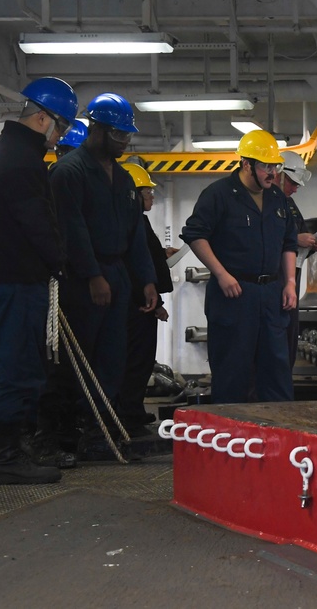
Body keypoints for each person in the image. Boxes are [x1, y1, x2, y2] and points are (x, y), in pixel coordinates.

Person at [36, 93, 158, 463]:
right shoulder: (69, 173)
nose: (124, 143)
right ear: (99, 130)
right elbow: (71, 231)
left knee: (112, 358)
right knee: (81, 361)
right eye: (119, 136)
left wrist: (146, 280)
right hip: (85, 279)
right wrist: (92, 275)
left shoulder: (122, 180)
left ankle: (102, 430)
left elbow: (136, 235)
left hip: (118, 275)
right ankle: (75, 435)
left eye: (126, 137)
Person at [0, 76, 78, 485]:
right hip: (17, 283)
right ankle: (8, 458)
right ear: (42, 119)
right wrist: (60, 263)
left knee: (21, 367)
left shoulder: (8, 153)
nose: (61, 136)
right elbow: (38, 224)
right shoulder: (20, 160)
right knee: (19, 370)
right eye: (62, 127)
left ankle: (19, 450)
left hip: (8, 282)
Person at [180, 129, 298, 403]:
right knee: (232, 373)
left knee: (277, 374)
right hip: (234, 295)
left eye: (275, 166)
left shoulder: (278, 199)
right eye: (266, 166)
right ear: (247, 164)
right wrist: (221, 274)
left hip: (270, 295)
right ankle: (231, 440)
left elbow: (289, 242)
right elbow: (195, 235)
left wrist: (290, 282)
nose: (272, 172)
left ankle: (278, 439)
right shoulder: (219, 194)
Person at [118, 158, 174, 436]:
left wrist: (162, 257)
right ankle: (128, 415)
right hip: (137, 307)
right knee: (135, 361)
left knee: (140, 361)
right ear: (133, 194)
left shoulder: (138, 222)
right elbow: (136, 267)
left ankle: (132, 412)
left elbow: (146, 258)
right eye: (147, 191)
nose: (152, 194)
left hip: (142, 304)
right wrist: (154, 305)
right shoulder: (133, 225)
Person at [278, 151, 317, 368]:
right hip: (274, 281)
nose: (295, 189)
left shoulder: (290, 205)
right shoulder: (266, 205)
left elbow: (299, 238)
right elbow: (261, 240)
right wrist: (296, 239)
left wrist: (314, 245)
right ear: (279, 174)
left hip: (290, 282)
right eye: (292, 183)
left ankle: (282, 394)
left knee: (288, 336)